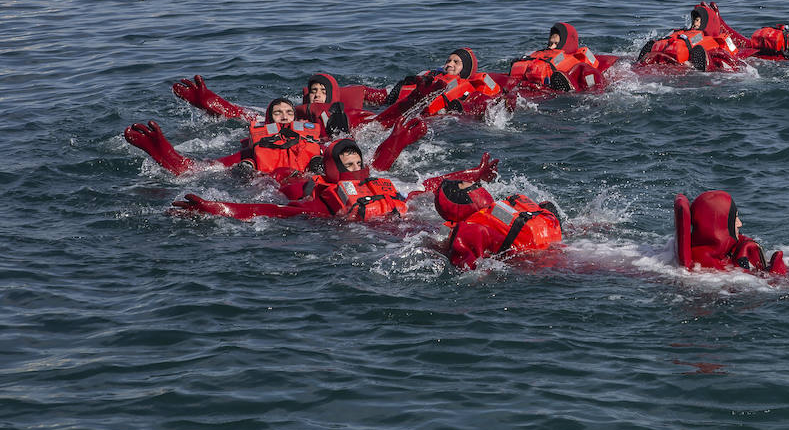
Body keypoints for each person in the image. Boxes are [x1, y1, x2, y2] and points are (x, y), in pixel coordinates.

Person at [173, 134, 499, 225]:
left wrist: (472, 175)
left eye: (359, 162)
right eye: (348, 164)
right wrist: (218, 209)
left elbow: (426, 188)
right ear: (330, 168)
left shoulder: (381, 182)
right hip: (375, 241)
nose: (356, 169)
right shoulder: (321, 198)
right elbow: (272, 211)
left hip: (406, 225)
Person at [123, 99, 418, 181]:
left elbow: (365, 166)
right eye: (277, 113)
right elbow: (191, 170)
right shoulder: (253, 151)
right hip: (267, 186)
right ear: (267, 120)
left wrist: (397, 141)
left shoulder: (318, 145)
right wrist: (159, 148)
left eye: (289, 112)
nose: (284, 116)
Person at [433, 174, 563, 269]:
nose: (475, 185)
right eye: (465, 186)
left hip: (541, 255)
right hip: (543, 254)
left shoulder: (483, 219)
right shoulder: (468, 229)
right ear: (458, 202)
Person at [172, 71, 384, 129]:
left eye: (322, 90)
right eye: (313, 90)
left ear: (333, 95)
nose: (317, 94)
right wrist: (210, 101)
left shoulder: (349, 117)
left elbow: (387, 120)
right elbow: (244, 116)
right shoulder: (290, 114)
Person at [373, 48, 508, 125]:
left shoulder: (471, 91)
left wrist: (461, 107)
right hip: (403, 111)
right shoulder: (431, 76)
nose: (450, 64)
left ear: (466, 69)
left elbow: (481, 105)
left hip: (440, 122)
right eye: (448, 61)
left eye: (456, 62)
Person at [637, 2, 750, 71]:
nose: (695, 23)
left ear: (706, 22)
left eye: (698, 20)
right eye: (694, 20)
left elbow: (733, 53)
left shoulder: (717, 38)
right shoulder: (685, 31)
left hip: (694, 52)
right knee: (659, 42)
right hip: (672, 52)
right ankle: (649, 51)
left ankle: (701, 64)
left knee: (701, 51)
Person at [506, 22, 613, 92]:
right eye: (550, 43)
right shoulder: (540, 54)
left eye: (556, 44)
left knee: (582, 68)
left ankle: (569, 86)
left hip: (560, 85)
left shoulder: (578, 61)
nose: (551, 47)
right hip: (531, 85)